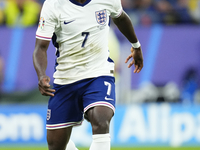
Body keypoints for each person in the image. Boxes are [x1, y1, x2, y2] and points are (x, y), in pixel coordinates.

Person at [32, 0, 143, 150]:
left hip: (98, 74)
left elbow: (121, 17)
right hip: (66, 79)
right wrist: (41, 75)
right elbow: (40, 47)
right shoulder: (53, 4)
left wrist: (136, 45)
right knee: (56, 145)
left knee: (101, 120)